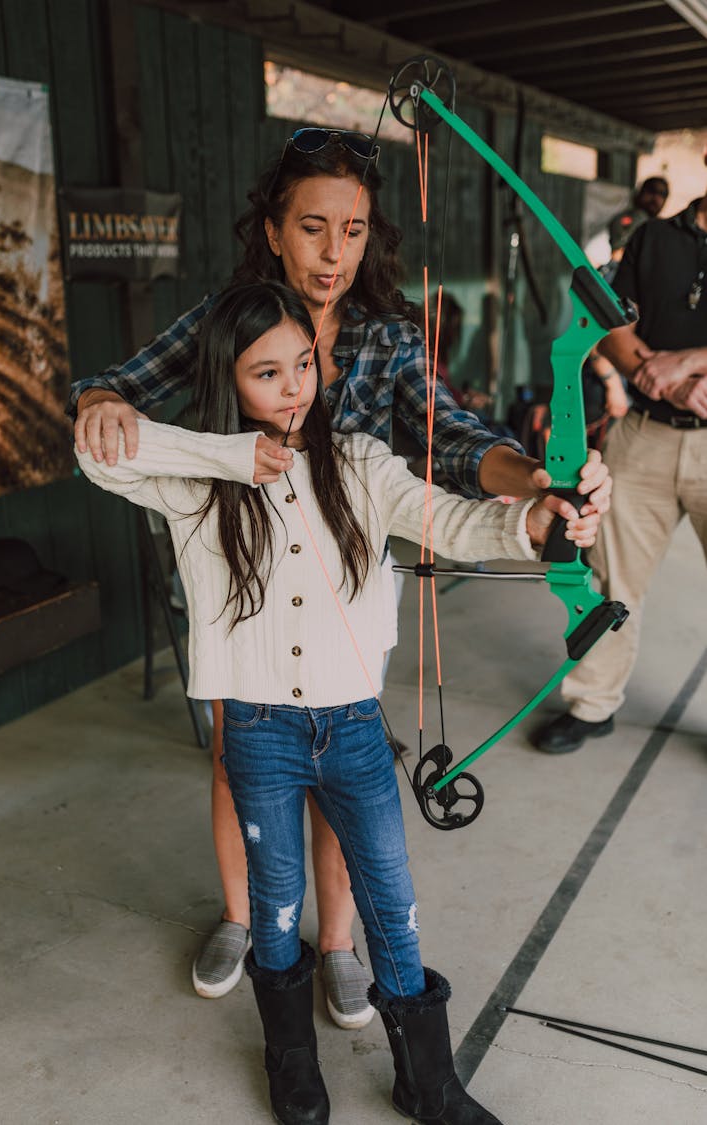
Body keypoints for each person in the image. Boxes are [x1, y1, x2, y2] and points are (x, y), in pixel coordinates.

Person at [70, 126, 612, 1024]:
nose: (336, 252)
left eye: (355, 231)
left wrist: (542, 480)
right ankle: (246, 919)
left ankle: (335, 943)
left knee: (339, 757)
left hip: (345, 594)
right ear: (274, 229)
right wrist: (104, 403)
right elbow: (112, 392)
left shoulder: (386, 336)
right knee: (235, 757)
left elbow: (456, 439)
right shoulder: (229, 316)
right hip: (236, 571)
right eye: (315, 227)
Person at [532, 161, 707, 755]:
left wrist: (686, 362)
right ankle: (592, 702)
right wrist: (660, 377)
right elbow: (611, 323)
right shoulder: (656, 236)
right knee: (606, 573)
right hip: (647, 430)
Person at [604, 175, 669, 278]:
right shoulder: (632, 218)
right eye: (652, 191)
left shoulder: (660, 225)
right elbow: (618, 253)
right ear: (642, 192)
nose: (656, 198)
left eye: (662, 194)